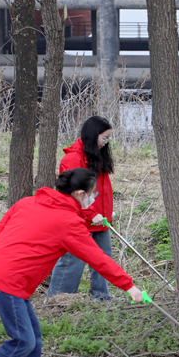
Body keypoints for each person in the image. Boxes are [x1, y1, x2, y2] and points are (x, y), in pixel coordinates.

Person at [0, 168, 143, 357]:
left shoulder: (28, 203)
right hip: (8, 280)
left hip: (4, 275)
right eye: (93, 194)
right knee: (23, 340)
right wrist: (128, 286)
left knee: (33, 337)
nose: (94, 198)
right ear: (80, 194)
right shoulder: (68, 223)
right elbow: (97, 258)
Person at [47, 115, 117, 300]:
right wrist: (90, 214)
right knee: (73, 260)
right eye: (104, 138)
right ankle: (58, 300)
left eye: (108, 138)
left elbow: (101, 190)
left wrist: (106, 213)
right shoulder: (73, 159)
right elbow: (74, 193)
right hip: (80, 219)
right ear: (93, 135)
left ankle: (101, 297)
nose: (106, 143)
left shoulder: (97, 155)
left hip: (100, 219)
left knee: (103, 258)